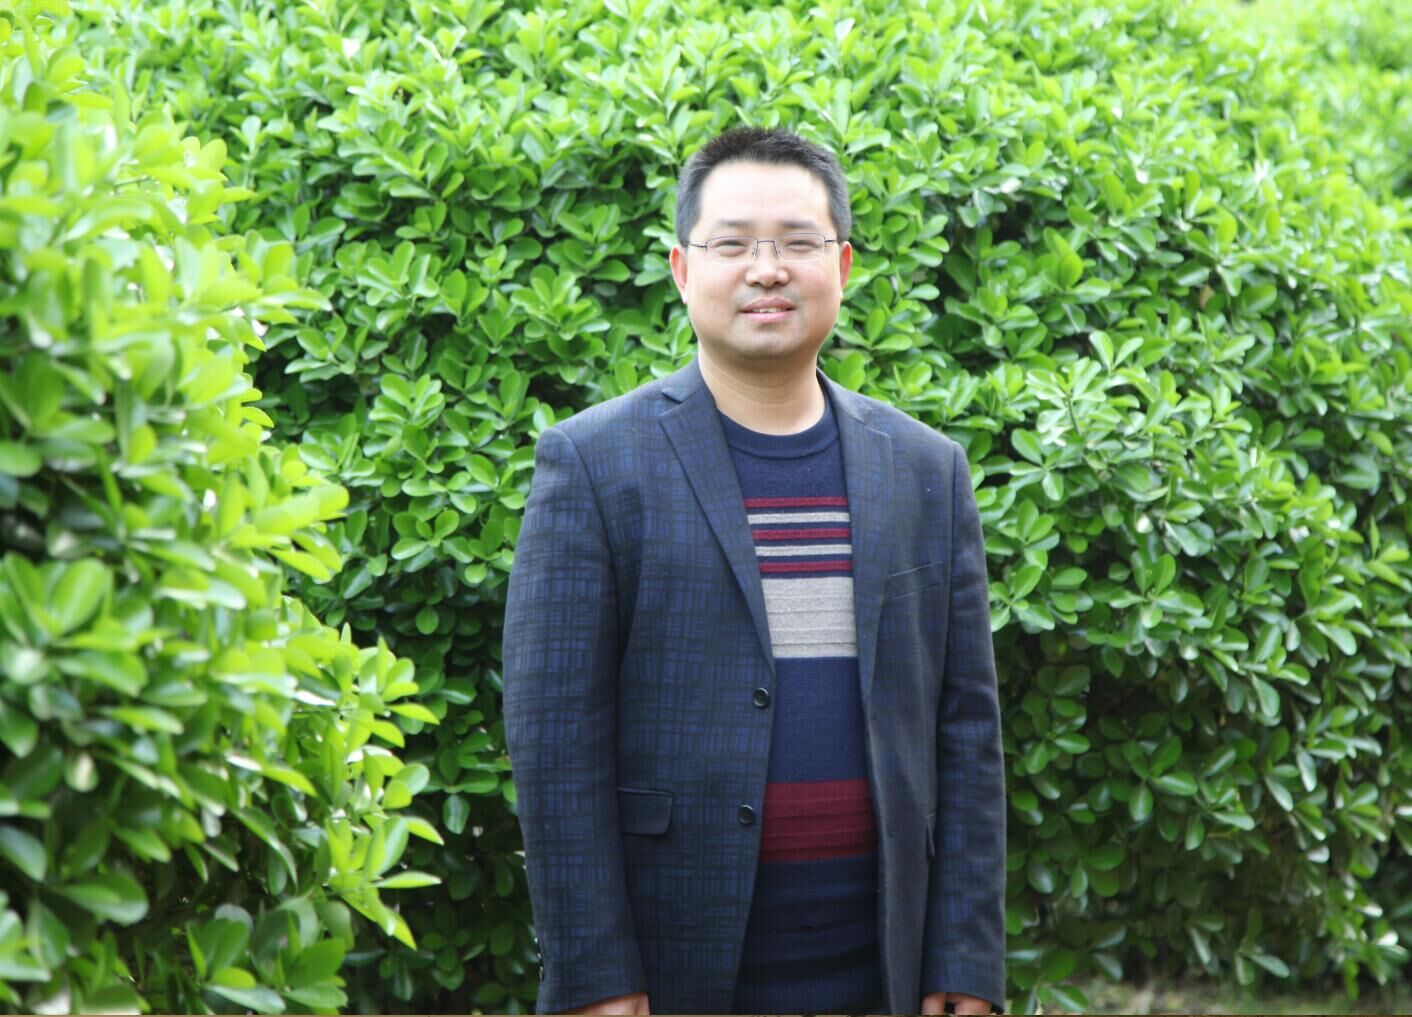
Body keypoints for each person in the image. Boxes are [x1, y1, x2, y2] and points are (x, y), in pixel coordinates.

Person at [503, 126, 1005, 1015]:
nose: (766, 270)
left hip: (885, 970)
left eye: (797, 243)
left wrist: (965, 960)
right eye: (731, 244)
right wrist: (596, 976)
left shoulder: (926, 468)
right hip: (676, 966)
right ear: (681, 269)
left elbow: (966, 734)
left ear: (842, 266)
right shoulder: (594, 464)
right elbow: (555, 746)